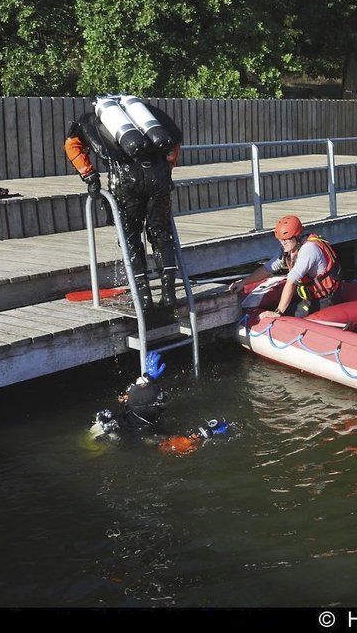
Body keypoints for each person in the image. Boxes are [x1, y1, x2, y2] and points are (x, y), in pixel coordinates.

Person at [64, 95, 184, 313]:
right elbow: (174, 141)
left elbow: (72, 146)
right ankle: (169, 293)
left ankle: (143, 296)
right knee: (161, 233)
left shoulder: (89, 120)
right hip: (159, 177)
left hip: (124, 179)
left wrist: (90, 177)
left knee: (130, 237)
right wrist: (168, 167)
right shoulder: (150, 116)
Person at [89, 350, 229, 453]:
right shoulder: (146, 434)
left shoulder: (130, 407)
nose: (164, 398)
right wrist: (206, 433)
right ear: (151, 408)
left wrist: (147, 378)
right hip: (114, 445)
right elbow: (175, 445)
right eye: (160, 398)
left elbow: (132, 394)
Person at [228, 214, 343, 318]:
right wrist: (243, 282)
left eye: (286, 241)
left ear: (297, 237)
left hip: (327, 298)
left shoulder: (309, 250)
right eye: (280, 241)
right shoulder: (287, 249)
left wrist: (278, 312)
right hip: (310, 295)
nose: (283, 244)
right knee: (288, 306)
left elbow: (291, 281)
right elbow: (268, 268)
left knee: (289, 314)